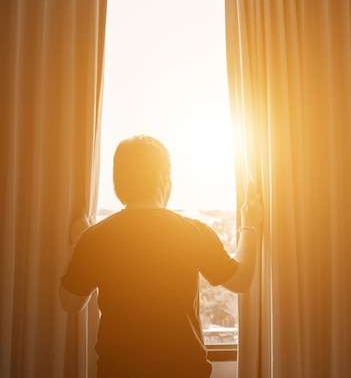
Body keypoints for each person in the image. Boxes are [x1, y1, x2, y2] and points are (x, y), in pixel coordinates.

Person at [59, 135, 262, 378]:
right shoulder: (193, 231)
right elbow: (240, 280)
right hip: (184, 371)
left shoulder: (95, 237)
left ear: (118, 184)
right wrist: (249, 226)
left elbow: (70, 303)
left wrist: (77, 242)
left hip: (119, 371)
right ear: (164, 179)